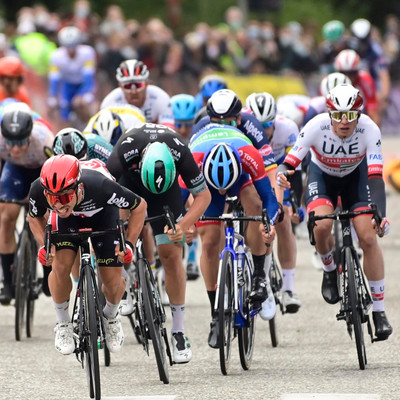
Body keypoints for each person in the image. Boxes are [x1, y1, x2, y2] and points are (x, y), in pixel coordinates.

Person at [276, 83, 392, 341]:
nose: (344, 122)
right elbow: (288, 163)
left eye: (350, 115)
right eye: (338, 115)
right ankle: (330, 272)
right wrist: (283, 177)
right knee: (322, 226)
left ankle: (380, 312)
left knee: (369, 236)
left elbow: (375, 176)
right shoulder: (315, 126)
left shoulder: (369, 129)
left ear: (358, 115)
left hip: (356, 179)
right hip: (323, 179)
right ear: (329, 114)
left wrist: (380, 214)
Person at [106, 123, 211, 363]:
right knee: (117, 231)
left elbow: (204, 196)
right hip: (129, 186)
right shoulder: (126, 148)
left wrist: (184, 226)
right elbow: (104, 192)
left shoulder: (180, 151)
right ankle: (123, 275)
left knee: (171, 254)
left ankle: (179, 330)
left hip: (165, 194)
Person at [28, 154, 147, 355]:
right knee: (59, 267)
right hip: (67, 223)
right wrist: (44, 246)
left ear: (79, 188)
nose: (57, 205)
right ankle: (63, 324)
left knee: (112, 279)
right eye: (51, 198)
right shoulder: (38, 189)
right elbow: (33, 217)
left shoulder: (101, 186)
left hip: (103, 215)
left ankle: (110, 316)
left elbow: (140, 206)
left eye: (64, 197)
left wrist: (129, 245)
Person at [187, 123, 279, 347]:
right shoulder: (192, 160)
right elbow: (180, 202)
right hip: (204, 182)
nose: (222, 193)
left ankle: (258, 276)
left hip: (241, 178)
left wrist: (269, 224)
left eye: (224, 188)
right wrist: (184, 226)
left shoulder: (250, 156)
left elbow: (269, 198)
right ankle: (215, 314)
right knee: (208, 241)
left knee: (256, 207)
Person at [245, 91, 302, 314]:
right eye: (258, 124)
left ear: (275, 120)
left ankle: (288, 289)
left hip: (279, 174)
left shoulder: (288, 130)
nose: (263, 130)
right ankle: (260, 278)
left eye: (267, 124)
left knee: (283, 219)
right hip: (252, 175)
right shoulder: (242, 131)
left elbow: (296, 171)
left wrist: (295, 203)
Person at [0, 103, 54, 304]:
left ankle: (48, 270)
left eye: (21, 142)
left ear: (29, 135)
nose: (14, 148)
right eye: (10, 143)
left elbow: (56, 171)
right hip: (14, 171)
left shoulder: (44, 140)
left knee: (46, 216)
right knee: (6, 217)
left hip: (41, 171)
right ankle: (7, 281)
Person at [171, 93, 200, 281]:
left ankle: (191, 258)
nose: (183, 129)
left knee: (194, 205)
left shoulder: (197, 138)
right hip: (169, 180)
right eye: (179, 124)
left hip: (188, 181)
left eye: (188, 124)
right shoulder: (167, 136)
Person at [100, 59, 174, 129]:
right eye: (128, 86)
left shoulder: (160, 98)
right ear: (121, 87)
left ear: (147, 84)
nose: (134, 91)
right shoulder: (109, 102)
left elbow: (169, 130)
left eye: (138, 85)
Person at [47, 26, 97, 125]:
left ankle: (88, 126)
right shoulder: (56, 56)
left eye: (73, 46)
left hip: (83, 84)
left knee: (80, 104)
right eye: (67, 47)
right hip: (67, 86)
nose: (70, 50)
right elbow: (54, 79)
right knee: (63, 109)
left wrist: (86, 94)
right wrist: (53, 96)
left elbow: (89, 76)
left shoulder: (87, 52)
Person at [334, 49, 380, 125]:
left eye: (352, 73)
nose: (348, 77)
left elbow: (373, 113)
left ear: (358, 71)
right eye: (343, 73)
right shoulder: (331, 82)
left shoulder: (366, 81)